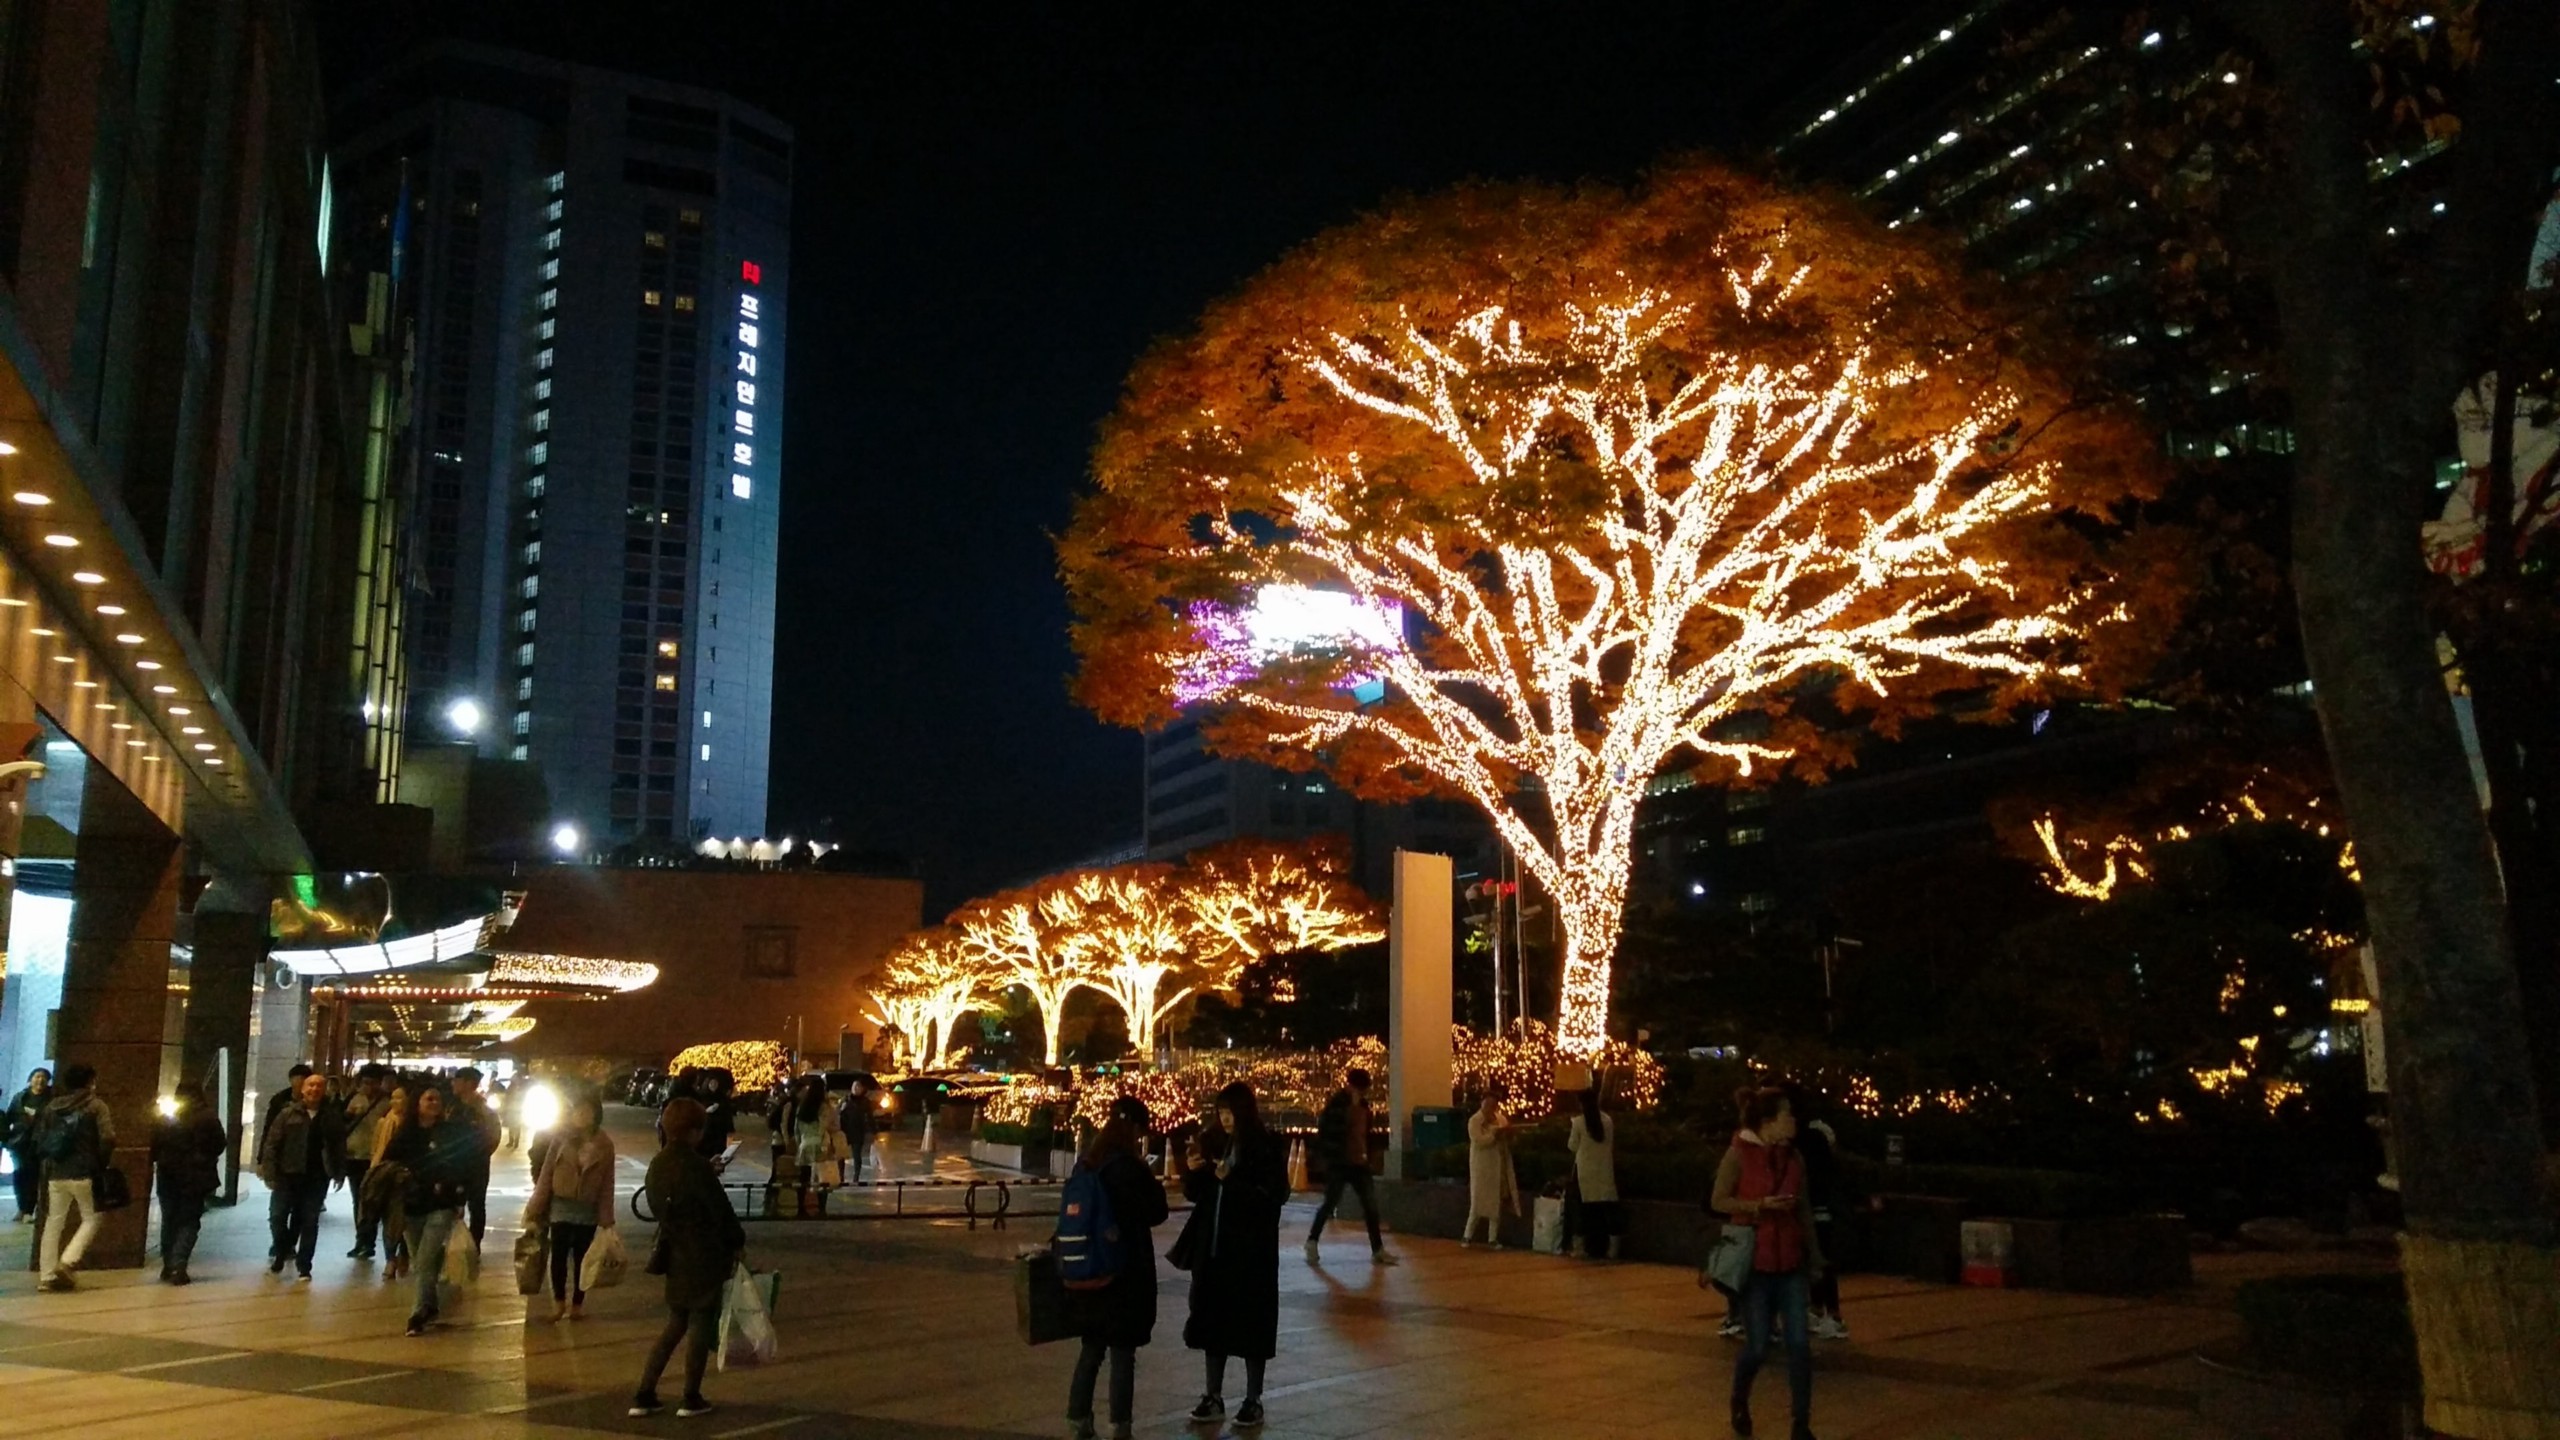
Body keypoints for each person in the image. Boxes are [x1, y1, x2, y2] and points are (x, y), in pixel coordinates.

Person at [1711, 1085, 1826, 1440]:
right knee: (1758, 1346)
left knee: (1799, 1346)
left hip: (1790, 1265)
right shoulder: (1739, 1154)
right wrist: (1759, 1206)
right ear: (1768, 1122)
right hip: (1756, 1266)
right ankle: (1739, 1400)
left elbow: (1804, 1209)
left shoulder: (1794, 1158)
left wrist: (1816, 1258)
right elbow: (1718, 1200)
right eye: (1787, 1114)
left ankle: (1801, 1424)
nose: (1793, 1121)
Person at [630, 1096, 746, 1420]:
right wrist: (737, 1241)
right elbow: (720, 1211)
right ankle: (690, 1396)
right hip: (703, 1253)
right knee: (699, 1323)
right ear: (695, 1131)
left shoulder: (658, 1164)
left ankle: (644, 1392)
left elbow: (669, 1198)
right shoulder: (695, 1166)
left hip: (675, 1251)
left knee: (675, 1323)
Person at [1182, 1081, 1289, 1430]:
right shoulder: (1213, 1141)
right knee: (1213, 1324)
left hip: (1251, 1253)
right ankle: (1213, 1394)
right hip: (1214, 1251)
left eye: (1229, 1112)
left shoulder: (1265, 1146)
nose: (1224, 1119)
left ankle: (1253, 1398)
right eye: (1220, 1112)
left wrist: (1234, 1181)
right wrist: (1194, 1171)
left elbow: (1274, 1197)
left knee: (1251, 1326)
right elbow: (1199, 1195)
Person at [1062, 1096, 1170, 1440]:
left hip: (1088, 1270)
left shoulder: (1088, 1163)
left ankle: (1078, 1418)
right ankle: (1119, 1425)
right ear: (1135, 1129)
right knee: (1123, 1352)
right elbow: (1157, 1212)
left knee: (1091, 1348)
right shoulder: (1129, 1167)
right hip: (1123, 1271)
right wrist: (1150, 1178)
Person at [384, 1084, 480, 1335]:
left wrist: (460, 1197)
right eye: (428, 1099)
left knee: (424, 1261)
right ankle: (431, 1305)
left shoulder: (451, 1133)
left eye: (437, 1099)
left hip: (441, 1203)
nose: (434, 1103)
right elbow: (388, 1163)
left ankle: (417, 1314)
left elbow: (465, 1165)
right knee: (421, 1259)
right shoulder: (406, 1135)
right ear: (417, 1103)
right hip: (412, 1205)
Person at [527, 1089, 618, 1322]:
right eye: (578, 1111)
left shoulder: (604, 1144)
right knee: (557, 1255)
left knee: (582, 1258)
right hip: (560, 1205)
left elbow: (608, 1183)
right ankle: (559, 1303)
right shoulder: (561, 1138)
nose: (581, 1115)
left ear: (596, 1114)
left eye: (587, 1111)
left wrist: (606, 1219)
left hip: (586, 1209)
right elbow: (547, 1172)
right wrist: (536, 1206)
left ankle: (577, 1304)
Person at [34, 1061, 115, 1292]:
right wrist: (101, 1161)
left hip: (56, 1173)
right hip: (84, 1172)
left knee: (53, 1222)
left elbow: (41, 1139)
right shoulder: (96, 1106)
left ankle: (46, 1276)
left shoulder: (52, 1107)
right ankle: (68, 1261)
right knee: (92, 1217)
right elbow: (108, 1138)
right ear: (90, 1082)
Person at [258, 1069, 346, 1279]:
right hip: (287, 1175)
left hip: (316, 1177)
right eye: (310, 1086)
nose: (314, 1090)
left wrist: (339, 1172)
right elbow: (272, 1143)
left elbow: (339, 1145)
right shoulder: (288, 1113)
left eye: (319, 1086)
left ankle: (304, 1265)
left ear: (324, 1091)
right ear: (302, 1090)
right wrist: (269, 1171)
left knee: (309, 1220)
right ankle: (282, 1250)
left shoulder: (331, 1117)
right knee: (277, 1216)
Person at [1304, 1067, 1396, 1265]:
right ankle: (1312, 1241)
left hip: (1359, 1164)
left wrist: (1368, 1156)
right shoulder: (1337, 1105)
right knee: (1330, 1202)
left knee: (1370, 1206)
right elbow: (1330, 1131)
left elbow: (1365, 1134)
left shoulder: (1364, 1106)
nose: (1361, 1093)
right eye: (1359, 1089)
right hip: (1339, 1162)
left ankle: (1377, 1248)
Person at [1780, 1082, 1848, 1340]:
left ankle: (1830, 1313)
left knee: (1819, 1260)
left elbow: (1822, 1175)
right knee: (1816, 1261)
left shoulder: (1802, 1141)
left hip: (1813, 1206)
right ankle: (1821, 1311)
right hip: (1818, 1207)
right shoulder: (1814, 1136)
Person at [151, 1077, 226, 1285]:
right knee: (189, 1220)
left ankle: (168, 1265)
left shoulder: (167, 1117)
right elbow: (220, 1143)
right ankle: (179, 1264)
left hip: (168, 1175)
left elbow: (155, 1145)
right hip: (196, 1176)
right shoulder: (208, 1116)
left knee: (169, 1220)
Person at [342, 1065, 396, 1259]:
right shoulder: (353, 1100)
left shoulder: (388, 1102)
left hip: (378, 1159)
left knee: (375, 1202)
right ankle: (363, 1241)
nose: (370, 1087)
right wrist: (351, 1115)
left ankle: (374, 1242)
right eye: (366, 1082)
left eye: (374, 1083)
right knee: (360, 1201)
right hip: (355, 1157)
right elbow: (340, 1125)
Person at [1462, 1083, 1522, 1248]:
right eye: (1487, 1104)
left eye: (1493, 1104)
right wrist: (1494, 1134)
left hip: (1498, 1165)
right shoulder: (1474, 1121)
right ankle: (1467, 1236)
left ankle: (1492, 1238)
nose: (1490, 1107)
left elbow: (1508, 1138)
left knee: (1496, 1203)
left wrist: (1508, 1135)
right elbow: (1479, 1140)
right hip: (1481, 1166)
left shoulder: (1500, 1119)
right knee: (1477, 1202)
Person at [448, 1066, 500, 1245]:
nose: (453, 1083)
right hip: (452, 1164)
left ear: (469, 1083)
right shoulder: (451, 1106)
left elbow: (494, 1137)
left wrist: (478, 1155)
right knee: (451, 1203)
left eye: (457, 1080)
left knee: (476, 1204)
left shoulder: (484, 1111)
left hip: (476, 1165)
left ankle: (473, 1243)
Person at [369, 1079, 414, 1279]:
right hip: (386, 1176)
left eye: (400, 1098)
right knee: (389, 1221)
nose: (395, 1102)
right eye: (393, 1098)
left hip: (407, 1178)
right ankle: (390, 1259)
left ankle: (404, 1255)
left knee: (405, 1221)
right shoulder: (384, 1122)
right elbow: (376, 1148)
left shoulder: (414, 1125)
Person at [1569, 1085, 1621, 1260]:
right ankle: (1613, 1249)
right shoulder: (1608, 1121)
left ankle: (1580, 1248)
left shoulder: (1578, 1122)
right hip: (1605, 1170)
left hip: (1584, 1172)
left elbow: (1572, 1146)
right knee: (1608, 1210)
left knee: (1582, 1210)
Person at [4, 1066, 51, 1223]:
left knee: (36, 1178)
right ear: (30, 1080)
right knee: (20, 1178)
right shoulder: (19, 1098)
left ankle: (31, 1210)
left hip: (41, 1145)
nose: (40, 1080)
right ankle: (22, 1208)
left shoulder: (52, 1100)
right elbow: (8, 1118)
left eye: (44, 1077)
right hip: (20, 1145)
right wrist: (7, 1138)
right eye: (37, 1076)